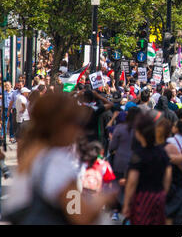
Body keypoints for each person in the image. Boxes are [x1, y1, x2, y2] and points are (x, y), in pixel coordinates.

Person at [3, 92, 116, 224]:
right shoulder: (57, 162)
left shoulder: (33, 153)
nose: (79, 129)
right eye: (75, 122)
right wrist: (102, 199)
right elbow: (77, 212)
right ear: (60, 125)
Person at [122, 112, 172, 225]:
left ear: (139, 133)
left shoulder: (138, 155)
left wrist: (126, 203)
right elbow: (168, 175)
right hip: (159, 196)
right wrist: (163, 192)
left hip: (143, 197)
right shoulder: (162, 152)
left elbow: (132, 182)